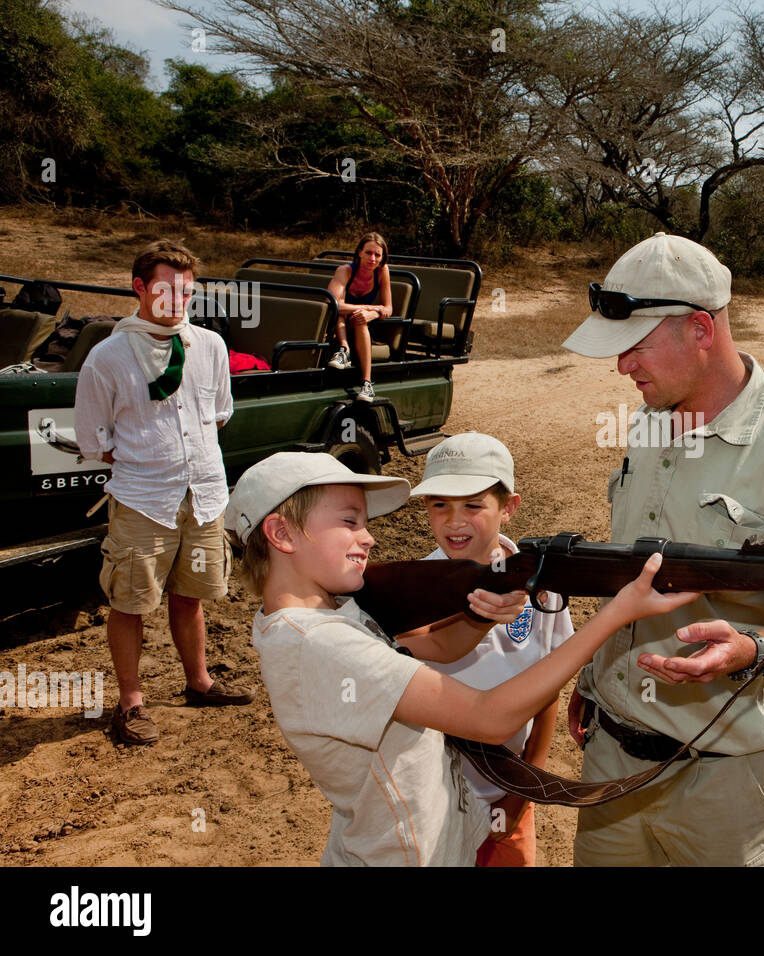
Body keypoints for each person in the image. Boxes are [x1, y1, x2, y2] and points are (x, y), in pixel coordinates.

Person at [228, 451, 695, 866]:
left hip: (423, 839)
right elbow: (488, 718)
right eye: (350, 522)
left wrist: (482, 617)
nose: (368, 538)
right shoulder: (323, 644)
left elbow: (437, 647)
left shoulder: (329, 613)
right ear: (281, 533)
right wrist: (614, 615)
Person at [561, 232, 764, 866]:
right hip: (610, 757)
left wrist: (751, 650)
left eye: (635, 347)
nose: (622, 367)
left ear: (701, 329)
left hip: (720, 779)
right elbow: (631, 573)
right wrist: (594, 679)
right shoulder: (648, 420)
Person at [74, 240, 254, 747]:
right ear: (139, 287)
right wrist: (148, 458)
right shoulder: (106, 358)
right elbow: (94, 440)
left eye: (187, 290)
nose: (178, 299)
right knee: (129, 602)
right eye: (166, 288)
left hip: (204, 496)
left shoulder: (211, 347)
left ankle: (198, 682)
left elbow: (219, 413)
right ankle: (130, 703)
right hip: (144, 501)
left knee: (191, 595)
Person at [401, 433, 574, 867]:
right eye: (439, 504)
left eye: (473, 505)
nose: (454, 521)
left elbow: (547, 690)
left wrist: (522, 793)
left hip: (506, 786)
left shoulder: (542, 589)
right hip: (429, 796)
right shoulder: (409, 589)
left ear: (509, 507)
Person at [326, 231, 393, 403]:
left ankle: (367, 383)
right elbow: (332, 303)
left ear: (382, 257)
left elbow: (388, 308)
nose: (372, 258)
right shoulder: (345, 271)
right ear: (359, 252)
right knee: (342, 309)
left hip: (360, 323)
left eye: (377, 255)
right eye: (369, 253)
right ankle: (344, 349)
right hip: (338, 321)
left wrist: (371, 314)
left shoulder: (382, 271)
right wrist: (369, 307)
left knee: (360, 319)